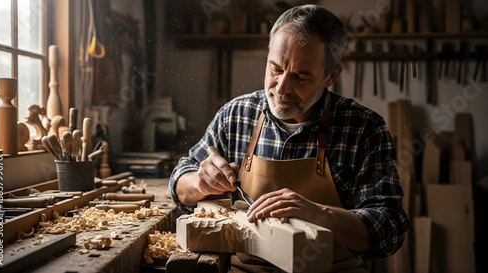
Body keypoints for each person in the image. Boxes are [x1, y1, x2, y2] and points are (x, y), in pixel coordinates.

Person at [169, 4, 409, 272]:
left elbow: (390, 228)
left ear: (331, 76)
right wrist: (200, 182)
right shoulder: (236, 115)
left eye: (300, 76)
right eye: (275, 68)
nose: (281, 88)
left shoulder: (365, 128)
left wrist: (319, 214)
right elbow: (180, 180)